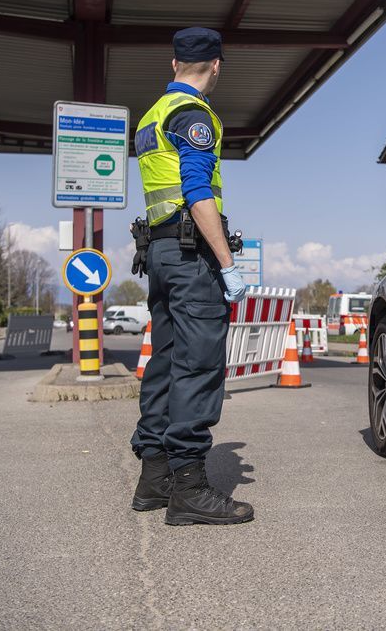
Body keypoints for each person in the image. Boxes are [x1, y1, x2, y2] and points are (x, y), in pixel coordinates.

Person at [129, 27, 252, 526]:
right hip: (189, 257)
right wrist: (227, 263)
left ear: (174, 63)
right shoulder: (193, 115)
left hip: (158, 254)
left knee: (164, 363)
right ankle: (189, 489)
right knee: (199, 364)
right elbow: (198, 193)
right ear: (217, 66)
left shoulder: (153, 115)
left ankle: (153, 480)